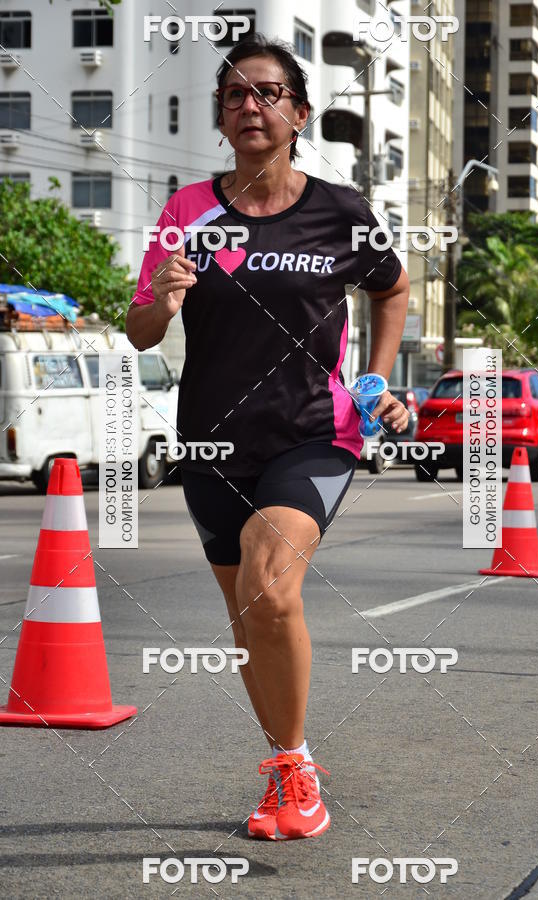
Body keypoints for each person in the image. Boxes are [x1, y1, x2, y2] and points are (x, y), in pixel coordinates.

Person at [126, 33, 410, 841]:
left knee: (270, 586)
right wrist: (166, 296)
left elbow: (392, 289)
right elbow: (141, 330)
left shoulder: (340, 211)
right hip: (212, 443)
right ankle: (294, 761)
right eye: (236, 95)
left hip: (315, 434)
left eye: (269, 92)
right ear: (220, 118)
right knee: (249, 615)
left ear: (299, 112)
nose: (252, 105)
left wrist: (377, 380)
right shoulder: (187, 210)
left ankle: (295, 781)